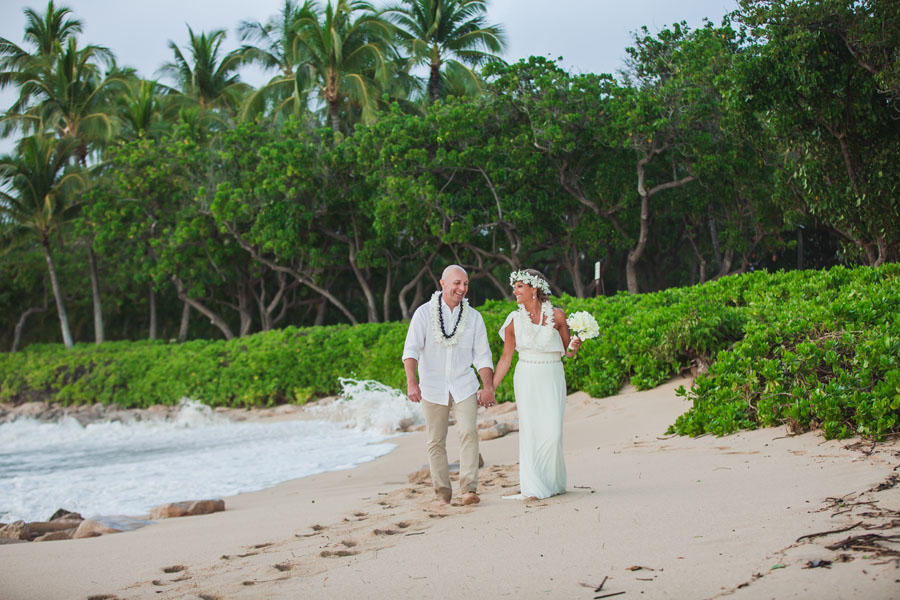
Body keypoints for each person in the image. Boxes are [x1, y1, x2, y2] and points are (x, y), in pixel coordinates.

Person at [402, 265, 495, 506]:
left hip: (464, 385)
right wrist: (412, 382)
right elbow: (410, 351)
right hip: (432, 387)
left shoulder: (474, 317)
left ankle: (469, 489)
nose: (462, 289)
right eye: (457, 283)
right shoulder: (423, 314)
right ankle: (443, 494)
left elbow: (483, 357)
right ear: (442, 284)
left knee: (468, 432)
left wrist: (488, 387)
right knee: (435, 441)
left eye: (465, 284)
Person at [492, 269, 581, 500]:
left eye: (519, 286)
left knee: (553, 433)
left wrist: (575, 347)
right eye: (515, 287)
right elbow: (505, 358)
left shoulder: (558, 316)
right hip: (526, 376)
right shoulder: (513, 321)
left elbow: (567, 352)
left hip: (551, 374)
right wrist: (490, 386)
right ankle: (534, 487)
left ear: (534, 289)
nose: (515, 291)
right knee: (531, 432)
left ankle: (552, 482)